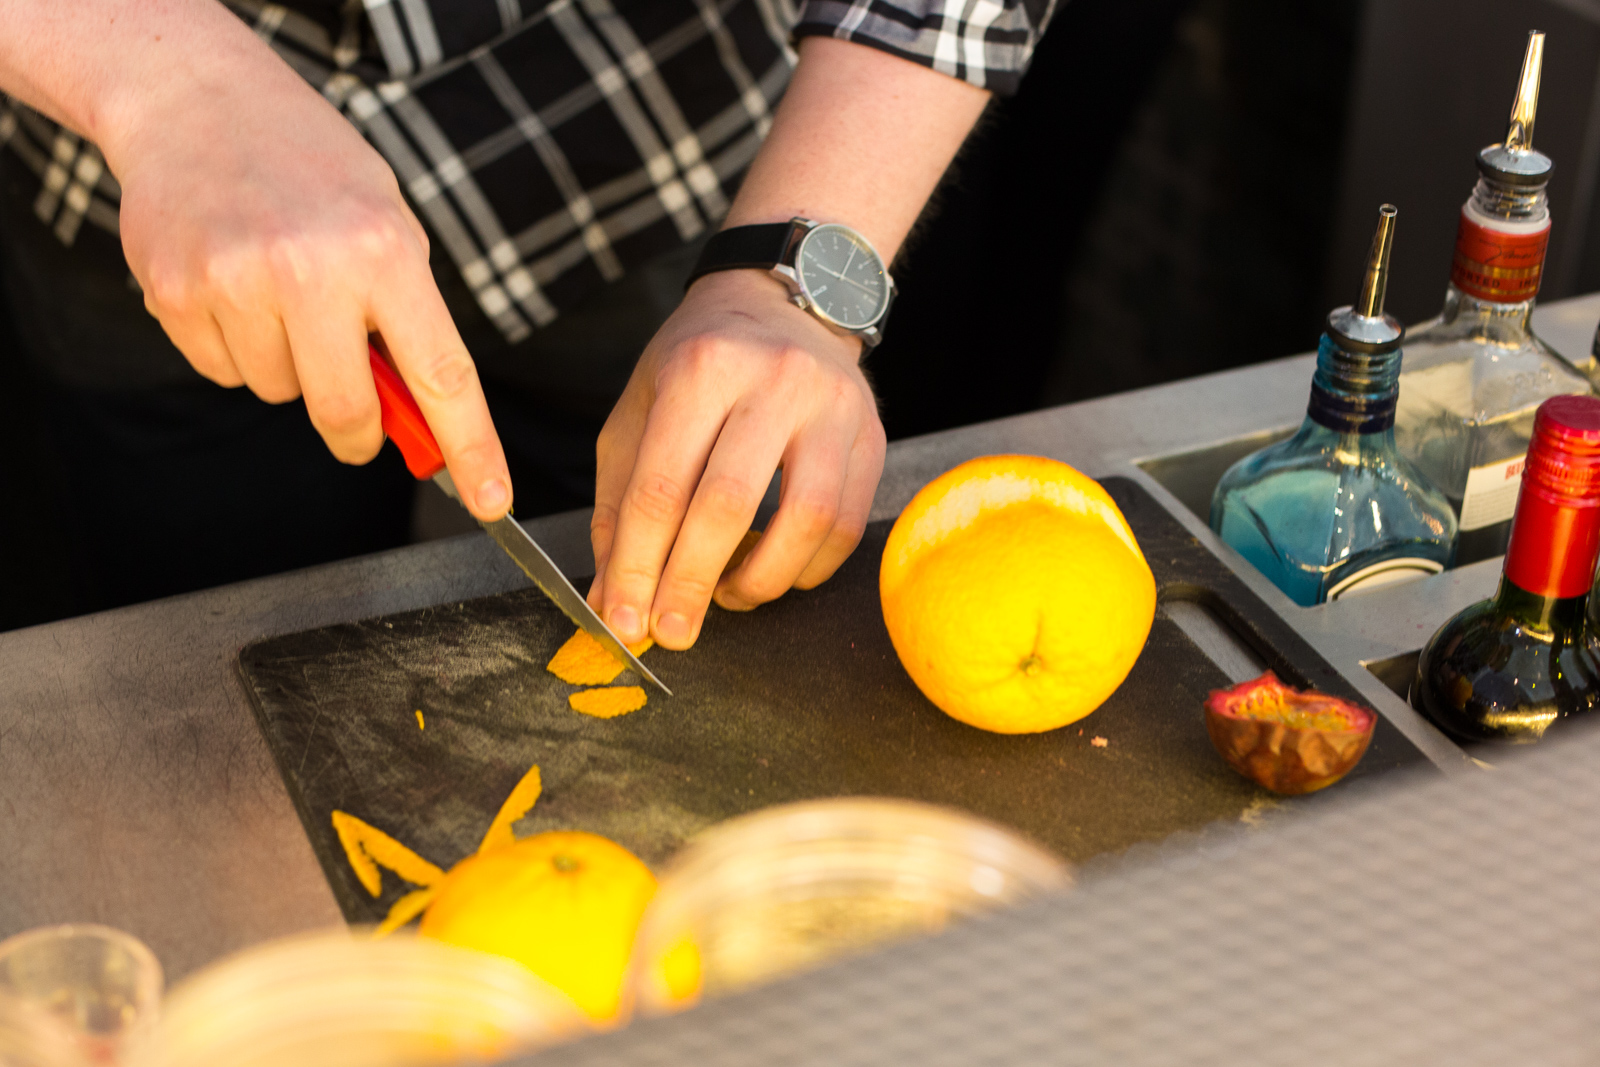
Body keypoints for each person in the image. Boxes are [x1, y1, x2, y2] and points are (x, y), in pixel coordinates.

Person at [0, 0, 1050, 648]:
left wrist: (787, 271)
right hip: (144, 191)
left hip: (666, 156)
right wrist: (166, 80)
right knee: (205, 640)